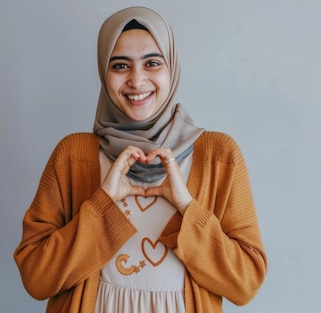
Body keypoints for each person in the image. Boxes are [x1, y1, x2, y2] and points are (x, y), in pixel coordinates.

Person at [14, 6, 267, 313]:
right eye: (120, 65)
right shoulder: (73, 156)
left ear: (171, 68)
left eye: (152, 63)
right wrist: (101, 205)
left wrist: (188, 207)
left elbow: (246, 284)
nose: (136, 80)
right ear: (103, 72)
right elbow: (36, 279)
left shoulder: (219, 156)